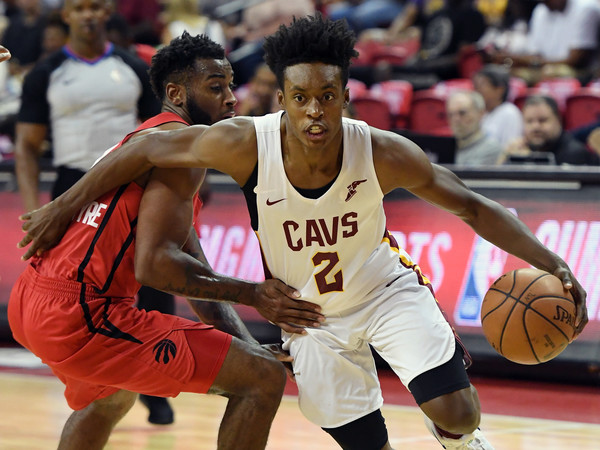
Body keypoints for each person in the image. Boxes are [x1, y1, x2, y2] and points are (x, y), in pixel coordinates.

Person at [18, 14, 588, 450]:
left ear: (345, 96)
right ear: (283, 100)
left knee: (458, 412)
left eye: (326, 97)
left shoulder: (382, 150)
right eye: (299, 99)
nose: (313, 112)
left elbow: (475, 207)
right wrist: (59, 207)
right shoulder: (242, 142)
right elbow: (144, 151)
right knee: (362, 440)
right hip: (308, 316)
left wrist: (555, 263)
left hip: (383, 292)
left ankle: (460, 440)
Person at [9, 31, 325, 450]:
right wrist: (255, 295)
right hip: (81, 313)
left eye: (231, 85)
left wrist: (246, 344)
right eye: (216, 87)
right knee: (262, 381)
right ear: (176, 92)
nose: (231, 98)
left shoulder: (151, 137)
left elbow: (195, 271)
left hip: (32, 300)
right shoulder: (183, 152)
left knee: (109, 396)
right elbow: (156, 268)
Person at [14, 0, 160, 213]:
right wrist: (31, 210)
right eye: (79, 9)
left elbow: (160, 133)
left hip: (127, 184)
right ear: (66, 15)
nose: (87, 15)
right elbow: (27, 146)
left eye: (94, 8)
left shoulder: (135, 68)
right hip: (70, 185)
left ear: (107, 12)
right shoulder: (44, 73)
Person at [484, 0, 600, 85]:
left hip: (578, 72)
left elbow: (574, 60)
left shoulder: (587, 7)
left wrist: (525, 61)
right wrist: (512, 59)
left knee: (555, 72)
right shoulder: (540, 10)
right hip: (542, 66)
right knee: (501, 73)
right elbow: (535, 53)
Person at [500, 94, 600, 165]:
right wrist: (506, 156)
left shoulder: (575, 154)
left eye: (543, 120)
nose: (536, 127)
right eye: (529, 121)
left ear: (558, 120)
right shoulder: (520, 150)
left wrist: (530, 160)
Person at [446, 90, 504, 165]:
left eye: (462, 113)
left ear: (480, 114)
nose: (455, 119)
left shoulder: (491, 148)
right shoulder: (444, 148)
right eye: (450, 114)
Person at [472, 64, 523, 147]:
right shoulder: (483, 114)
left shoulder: (509, 113)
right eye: (476, 86)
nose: (477, 90)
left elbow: (509, 150)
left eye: (482, 85)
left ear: (500, 89)